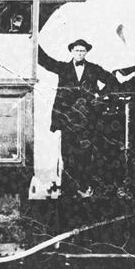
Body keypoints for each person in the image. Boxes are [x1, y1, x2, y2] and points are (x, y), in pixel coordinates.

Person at [38, 39, 120, 197]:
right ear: (71, 52)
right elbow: (45, 61)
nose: (80, 53)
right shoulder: (63, 68)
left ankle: (84, 188)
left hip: (87, 119)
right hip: (67, 119)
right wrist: (33, 41)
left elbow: (112, 81)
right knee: (67, 154)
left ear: (86, 52)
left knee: (85, 154)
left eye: (82, 51)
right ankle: (68, 190)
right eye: (77, 51)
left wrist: (100, 96)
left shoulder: (94, 69)